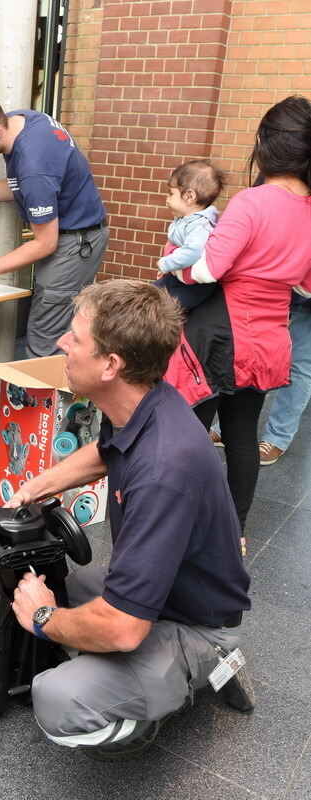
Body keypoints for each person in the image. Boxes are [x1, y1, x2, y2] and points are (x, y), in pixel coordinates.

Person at [7, 279, 252, 760]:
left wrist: (43, 618)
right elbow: (107, 451)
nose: (62, 342)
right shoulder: (144, 403)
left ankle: (192, 676)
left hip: (199, 622)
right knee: (57, 588)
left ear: (110, 365)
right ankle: (143, 666)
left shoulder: (163, 470)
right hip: (175, 586)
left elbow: (122, 628)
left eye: (76, 338)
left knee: (57, 697)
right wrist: (39, 485)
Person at [164, 95, 311, 534]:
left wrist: (172, 262)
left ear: (267, 143)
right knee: (243, 437)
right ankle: (234, 532)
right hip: (270, 338)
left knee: (187, 434)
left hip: (220, 333)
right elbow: (305, 285)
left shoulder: (252, 201)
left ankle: (178, 525)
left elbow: (207, 269)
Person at [0, 94, 109, 358]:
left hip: (74, 243)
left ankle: (46, 384)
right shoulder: (22, 120)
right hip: (79, 232)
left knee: (45, 342)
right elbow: (20, 187)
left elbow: (45, 242)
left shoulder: (34, 165)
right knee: (63, 330)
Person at [155, 159, 225, 310]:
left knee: (167, 310)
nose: (167, 199)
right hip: (177, 277)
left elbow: (193, 251)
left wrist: (166, 264)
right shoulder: (186, 219)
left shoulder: (200, 225)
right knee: (149, 297)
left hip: (194, 287)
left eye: (171, 193)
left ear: (189, 197)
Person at [257, 292, 311, 465]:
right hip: (277, 286)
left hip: (305, 296)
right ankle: (230, 427)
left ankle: (277, 437)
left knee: (299, 364)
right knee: (255, 353)